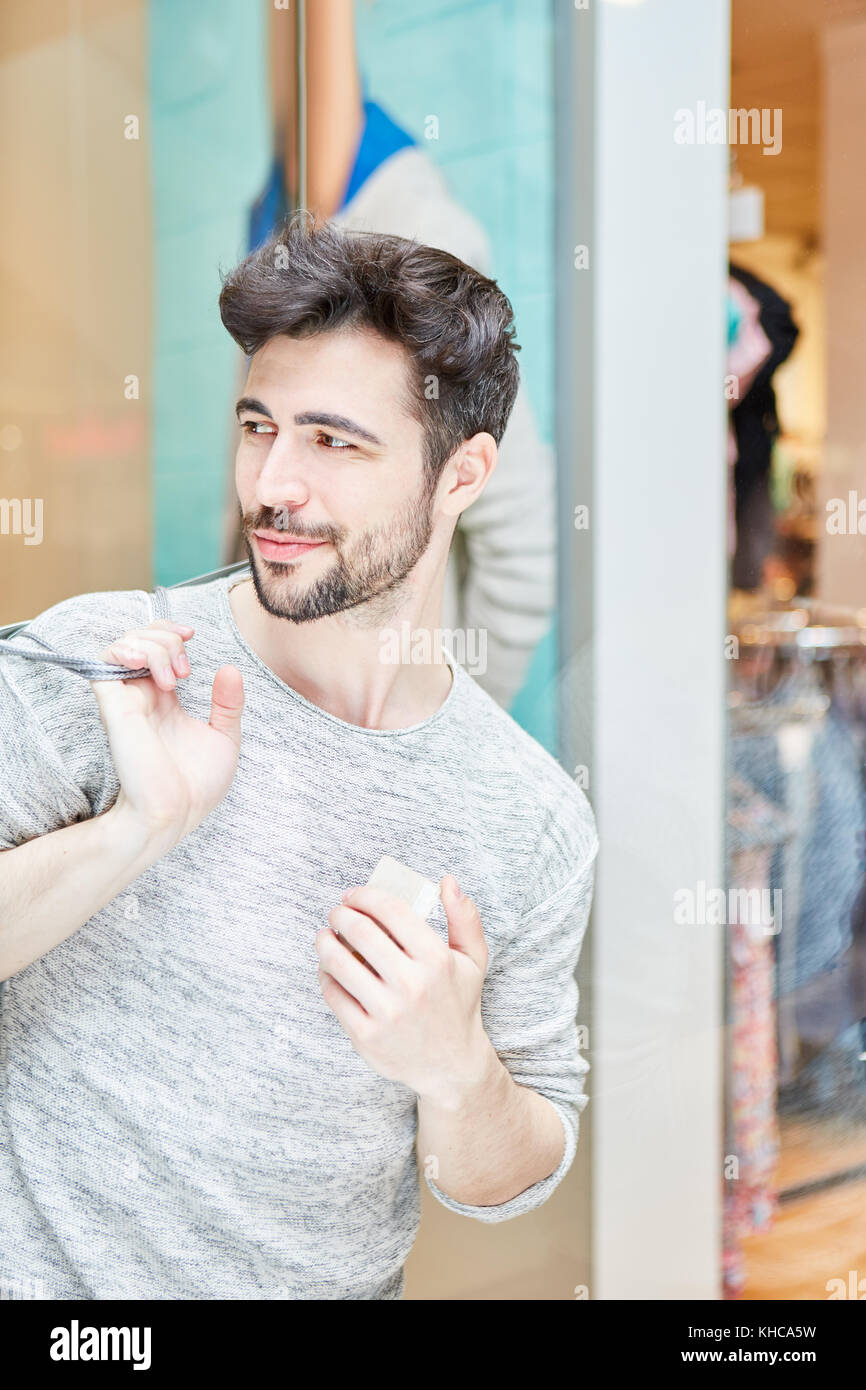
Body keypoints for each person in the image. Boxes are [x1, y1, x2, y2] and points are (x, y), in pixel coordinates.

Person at [0, 213, 597, 1301]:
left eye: (334, 441)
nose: (273, 484)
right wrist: (136, 831)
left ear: (461, 475)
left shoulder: (531, 815)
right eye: (257, 425)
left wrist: (453, 1070)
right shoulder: (108, 665)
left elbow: (513, 1170)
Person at [228, 0, 556, 711]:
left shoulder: (417, 241)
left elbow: (521, 543)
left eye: (333, 439)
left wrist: (443, 729)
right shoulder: (293, 201)